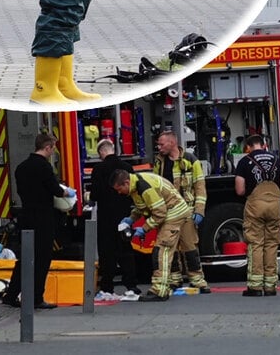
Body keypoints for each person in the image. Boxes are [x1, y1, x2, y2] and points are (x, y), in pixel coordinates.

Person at [1, 133, 75, 309]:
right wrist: (68, 192)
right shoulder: (44, 167)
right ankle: (36, 298)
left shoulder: (21, 167)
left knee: (25, 257)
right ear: (47, 147)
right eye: (53, 148)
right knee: (42, 258)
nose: (54, 151)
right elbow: (56, 190)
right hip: (43, 218)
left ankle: (11, 294)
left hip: (26, 216)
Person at [112, 169, 191, 302]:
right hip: (171, 212)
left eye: (119, 189)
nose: (119, 193)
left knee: (161, 251)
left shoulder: (143, 187)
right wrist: (131, 218)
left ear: (126, 183)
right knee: (165, 250)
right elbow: (143, 206)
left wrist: (144, 228)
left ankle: (159, 291)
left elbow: (160, 213)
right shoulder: (136, 185)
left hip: (173, 213)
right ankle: (165, 285)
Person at [153, 129, 210, 293]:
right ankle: (174, 279)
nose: (159, 147)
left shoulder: (191, 161)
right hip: (167, 212)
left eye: (161, 144)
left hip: (186, 211)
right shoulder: (159, 162)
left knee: (189, 246)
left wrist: (199, 211)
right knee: (170, 246)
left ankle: (197, 279)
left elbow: (200, 187)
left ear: (172, 143)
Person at [234, 134, 280, 296]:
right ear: (264, 145)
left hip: (255, 207)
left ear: (248, 147)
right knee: (271, 244)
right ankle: (271, 286)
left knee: (255, 244)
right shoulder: (276, 160)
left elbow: (240, 190)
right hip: (274, 206)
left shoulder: (245, 161)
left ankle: (255, 286)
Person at [89, 138, 140, 301]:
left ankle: (107, 287)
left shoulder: (98, 169)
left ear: (101, 152)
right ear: (113, 149)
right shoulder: (127, 167)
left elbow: (95, 195)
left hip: (105, 218)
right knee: (126, 250)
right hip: (125, 216)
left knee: (107, 252)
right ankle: (131, 285)